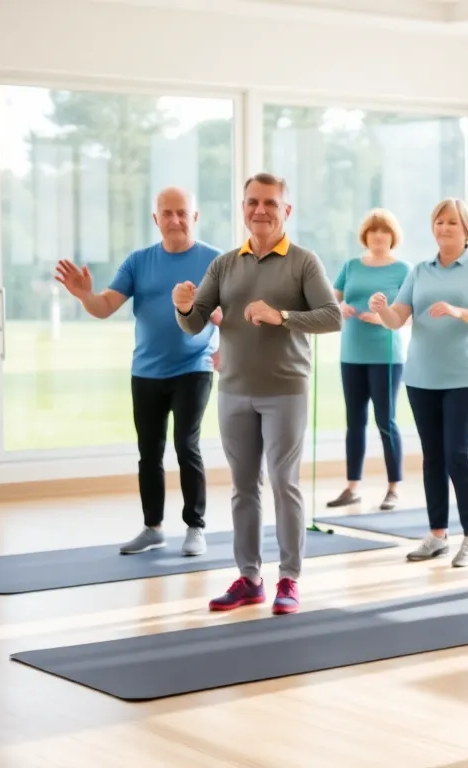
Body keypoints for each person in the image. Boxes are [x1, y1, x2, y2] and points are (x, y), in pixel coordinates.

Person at [174, 172, 342, 616]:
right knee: (243, 487)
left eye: (270, 203)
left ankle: (289, 578)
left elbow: (332, 317)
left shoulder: (304, 262)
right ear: (243, 208)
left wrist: (281, 315)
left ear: (286, 210)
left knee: (285, 483)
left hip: (285, 390)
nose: (260, 210)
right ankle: (249, 579)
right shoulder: (224, 265)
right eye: (252, 202)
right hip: (234, 390)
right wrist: (183, 306)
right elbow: (194, 323)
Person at [54, 187, 221, 558]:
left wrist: (224, 344)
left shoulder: (215, 261)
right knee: (149, 451)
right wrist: (84, 295)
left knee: (186, 444)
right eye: (167, 213)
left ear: (194, 217)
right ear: (155, 219)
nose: (174, 220)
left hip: (194, 366)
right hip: (146, 371)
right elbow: (104, 306)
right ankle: (153, 528)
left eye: (182, 213)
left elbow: (231, 314)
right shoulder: (138, 261)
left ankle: (195, 527)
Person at [370, 198, 468, 568]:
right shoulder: (419, 271)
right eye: (439, 222)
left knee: (457, 454)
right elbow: (397, 320)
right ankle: (438, 536)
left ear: (466, 230)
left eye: (452, 223)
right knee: (433, 457)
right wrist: (382, 309)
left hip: (464, 377)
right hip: (421, 377)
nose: (444, 228)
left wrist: (459, 311)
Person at [326, 209, 410, 512]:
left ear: (392, 236)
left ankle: (394, 488)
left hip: (385, 355)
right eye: (373, 231)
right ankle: (352, 487)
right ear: (365, 236)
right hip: (352, 353)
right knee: (355, 421)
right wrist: (342, 307)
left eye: (384, 231)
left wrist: (383, 316)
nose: (378, 236)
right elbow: (330, 299)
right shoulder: (351, 266)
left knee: (385, 420)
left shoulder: (403, 270)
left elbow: (410, 312)